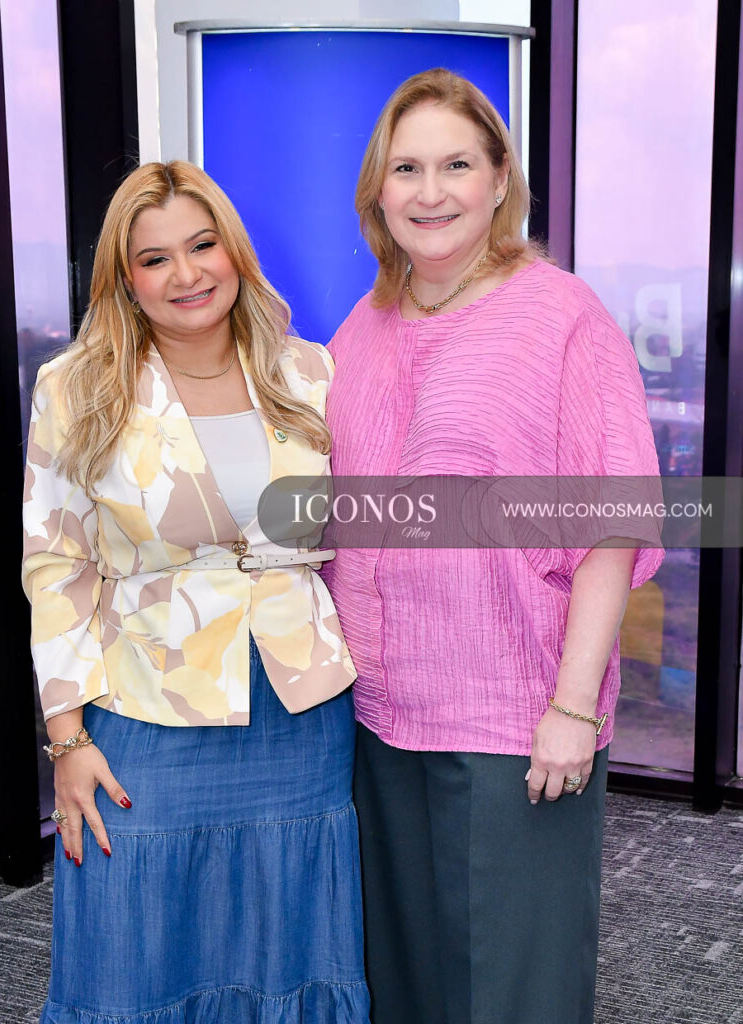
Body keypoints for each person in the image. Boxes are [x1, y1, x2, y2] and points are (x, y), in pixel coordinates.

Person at [322, 69, 664, 1024]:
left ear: (499, 179)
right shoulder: (363, 325)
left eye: (456, 165)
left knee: (511, 990)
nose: (429, 191)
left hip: (511, 723)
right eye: (406, 168)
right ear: (377, 189)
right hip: (378, 717)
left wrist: (571, 707)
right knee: (402, 980)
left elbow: (612, 524)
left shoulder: (562, 316)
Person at [22, 161, 370, 1024]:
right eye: (155, 258)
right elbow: (56, 565)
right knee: (134, 944)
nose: (186, 274)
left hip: (298, 710)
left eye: (202, 245)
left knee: (289, 941)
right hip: (145, 706)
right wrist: (66, 741)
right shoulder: (77, 387)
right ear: (125, 278)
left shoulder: (310, 372)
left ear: (233, 251)